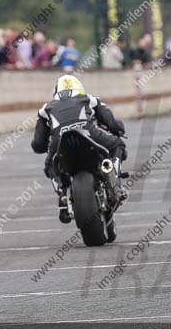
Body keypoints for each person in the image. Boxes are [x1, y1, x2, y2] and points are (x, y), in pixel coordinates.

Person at [31, 75, 128, 230]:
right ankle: (113, 179)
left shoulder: (45, 109)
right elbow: (113, 124)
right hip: (89, 134)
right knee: (118, 145)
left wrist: (48, 142)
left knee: (50, 167)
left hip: (59, 141)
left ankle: (63, 195)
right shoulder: (89, 99)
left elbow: (38, 145)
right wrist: (118, 129)